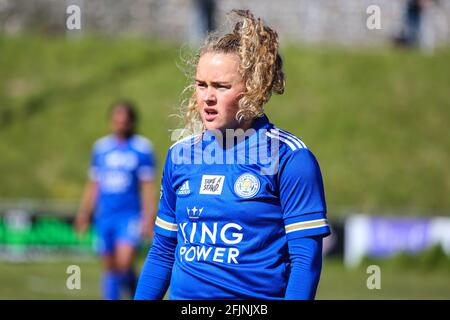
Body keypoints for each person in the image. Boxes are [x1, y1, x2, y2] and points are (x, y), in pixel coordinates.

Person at [134, 9, 331, 300]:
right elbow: (163, 251)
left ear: (253, 89)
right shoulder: (180, 156)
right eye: (202, 85)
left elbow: (305, 261)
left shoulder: (289, 158)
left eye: (221, 86)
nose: (207, 97)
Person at [75, 101, 157, 300]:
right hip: (105, 216)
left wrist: (149, 217)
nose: (120, 123)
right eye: (116, 119)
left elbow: (148, 186)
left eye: (125, 120)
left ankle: (139, 294)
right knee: (110, 266)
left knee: (124, 262)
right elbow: (94, 183)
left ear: (132, 122)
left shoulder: (142, 148)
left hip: (129, 216)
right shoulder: (101, 148)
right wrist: (84, 212)